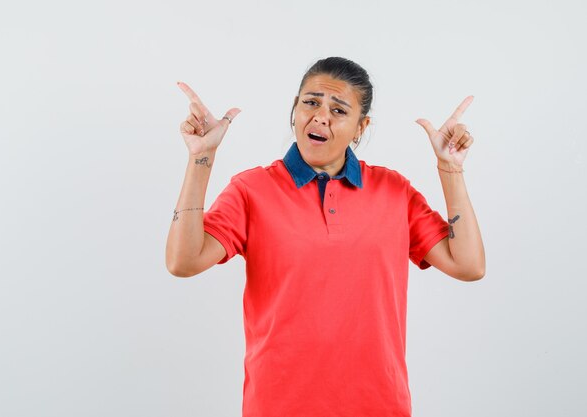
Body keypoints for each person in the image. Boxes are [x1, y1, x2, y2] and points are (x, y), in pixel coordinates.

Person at [166, 57, 485, 417]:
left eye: (338, 109)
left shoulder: (393, 191)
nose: (320, 116)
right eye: (311, 102)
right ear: (295, 110)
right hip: (278, 406)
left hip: (379, 405)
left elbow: (468, 265)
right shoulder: (252, 190)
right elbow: (183, 261)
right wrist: (201, 158)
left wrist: (450, 169)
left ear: (360, 127)